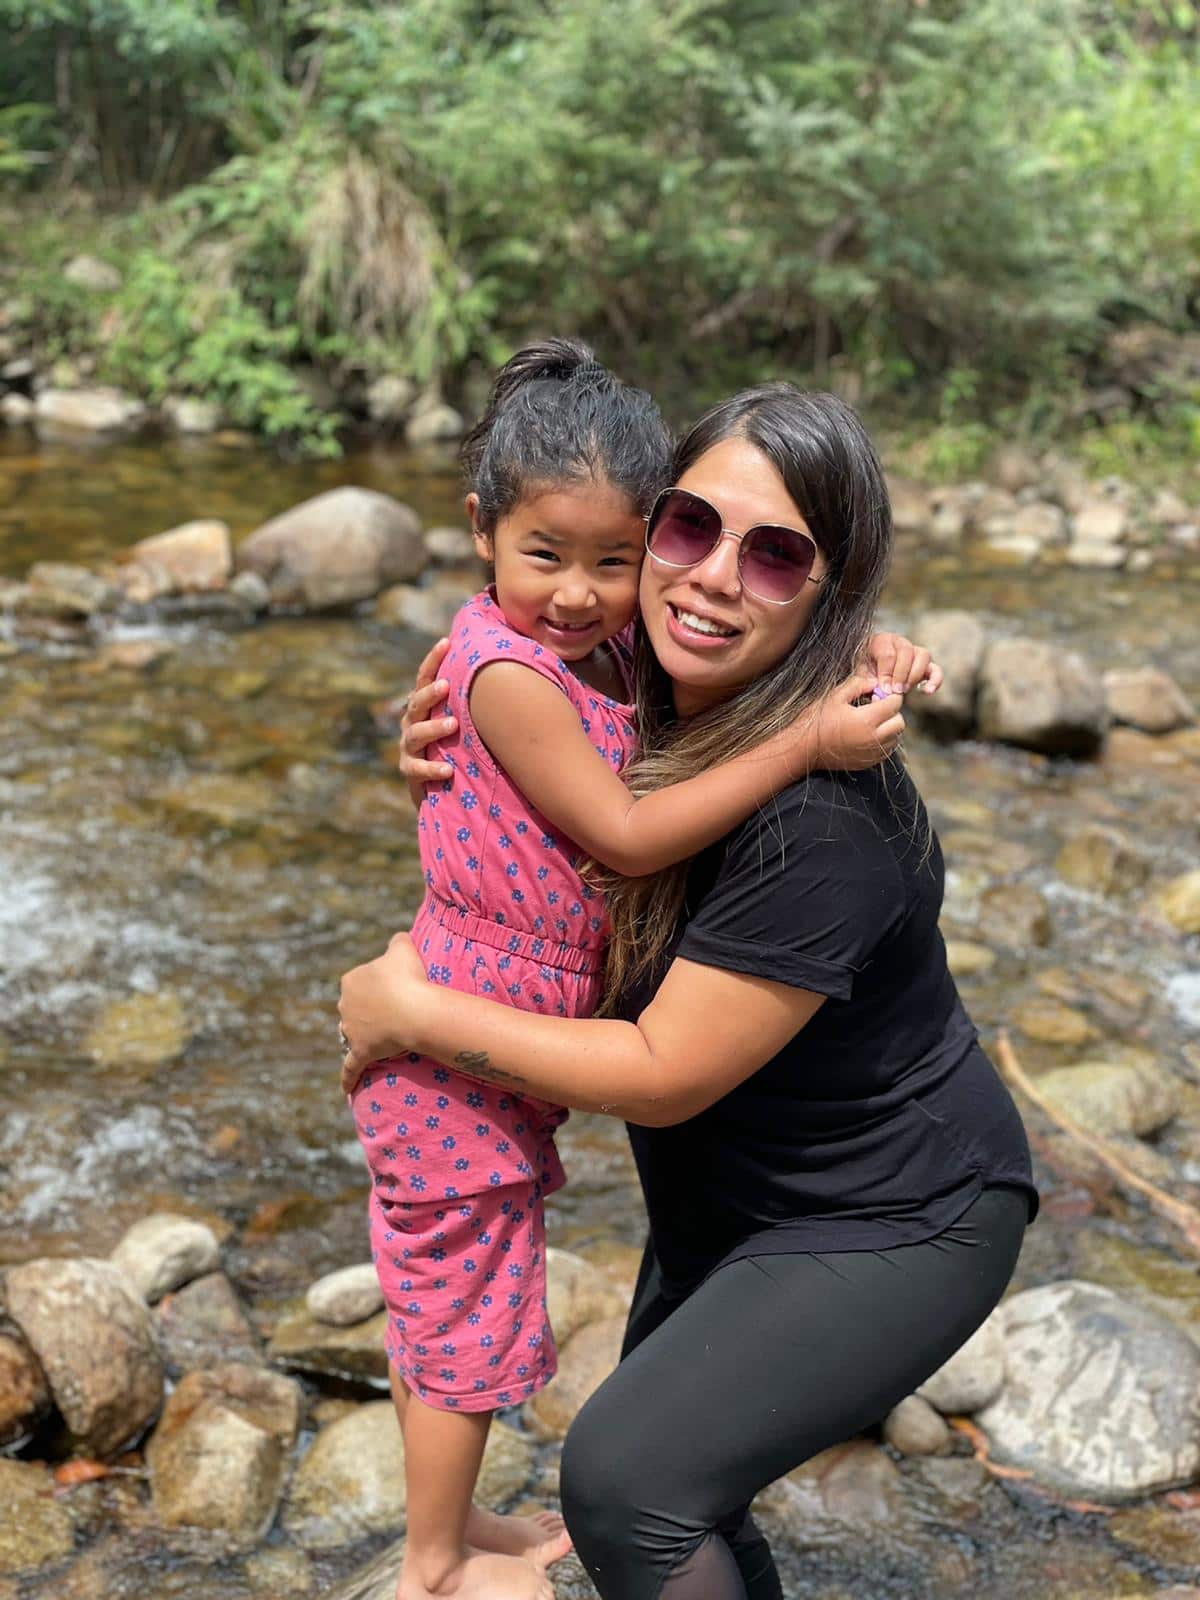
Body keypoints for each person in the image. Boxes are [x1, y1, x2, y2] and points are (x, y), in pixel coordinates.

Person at [340, 377, 1037, 1600]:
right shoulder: (627, 677)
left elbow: (662, 1078)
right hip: (737, 1195)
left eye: (776, 556)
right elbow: (527, 791)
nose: (712, 575)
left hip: (896, 1217)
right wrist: (438, 765)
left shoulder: (823, 819)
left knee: (625, 1482)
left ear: (832, 588)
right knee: (674, 1492)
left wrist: (419, 1016)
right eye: (688, 526)